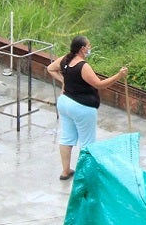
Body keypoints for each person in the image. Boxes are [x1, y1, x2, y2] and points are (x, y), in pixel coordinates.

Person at [46, 35, 128, 180]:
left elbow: (50, 68)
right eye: (88, 46)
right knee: (87, 142)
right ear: (82, 49)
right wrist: (118, 76)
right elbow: (99, 84)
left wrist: (64, 81)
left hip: (64, 103)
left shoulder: (66, 59)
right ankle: (85, 175)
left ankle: (65, 171)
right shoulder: (83, 66)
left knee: (67, 137)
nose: (90, 48)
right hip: (81, 107)